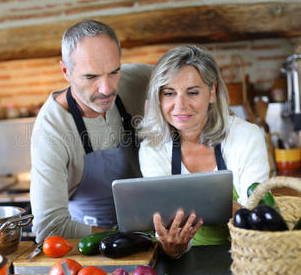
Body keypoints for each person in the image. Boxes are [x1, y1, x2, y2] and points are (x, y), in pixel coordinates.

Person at [138, 45, 270, 257]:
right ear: (159, 98)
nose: (180, 105)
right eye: (169, 93)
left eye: (192, 92)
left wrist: (201, 203)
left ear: (212, 92)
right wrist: (174, 249)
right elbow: (166, 222)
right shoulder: (152, 148)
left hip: (246, 256)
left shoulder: (246, 136)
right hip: (186, 261)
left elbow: (256, 216)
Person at [30, 20, 153, 242]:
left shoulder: (141, 80)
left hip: (154, 230)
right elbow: (49, 228)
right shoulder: (51, 129)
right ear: (66, 71)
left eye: (114, 72)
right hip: (91, 249)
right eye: (91, 77)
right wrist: (131, 238)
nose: (107, 89)